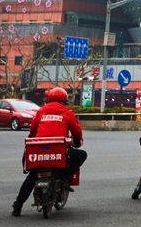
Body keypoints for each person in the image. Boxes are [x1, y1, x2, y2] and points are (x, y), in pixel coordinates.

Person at [12, 87, 86, 216]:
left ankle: (17, 206)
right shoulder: (67, 112)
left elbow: (33, 130)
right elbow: (77, 131)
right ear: (65, 99)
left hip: (39, 150)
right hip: (58, 151)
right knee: (81, 155)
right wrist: (78, 140)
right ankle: (64, 177)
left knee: (32, 177)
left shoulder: (41, 111)